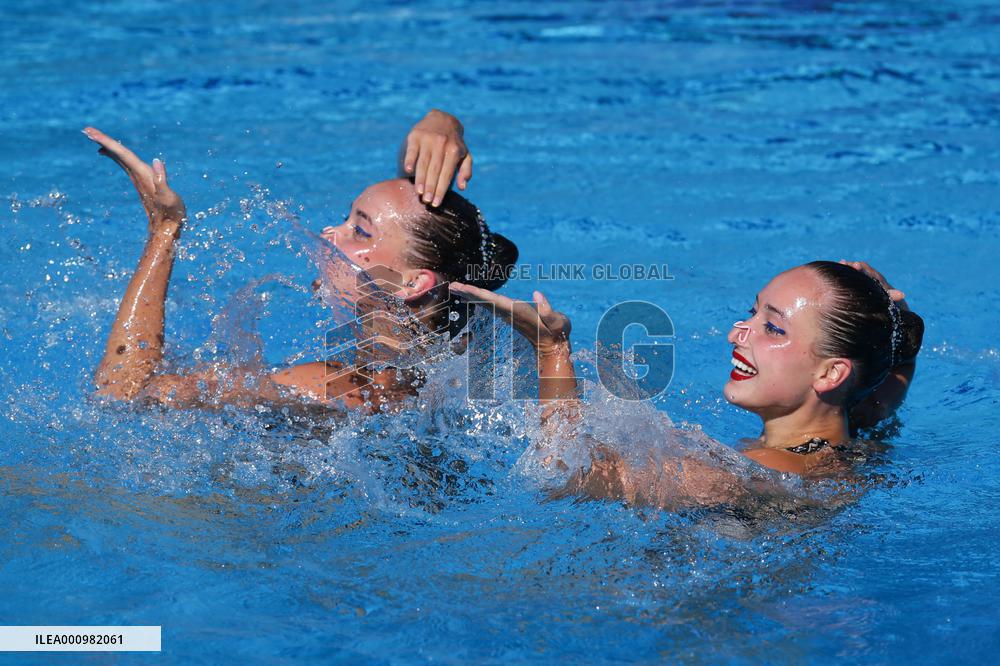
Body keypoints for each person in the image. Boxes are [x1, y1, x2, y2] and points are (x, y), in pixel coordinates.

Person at [85, 110, 517, 411]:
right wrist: (443, 121)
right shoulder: (453, 367)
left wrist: (163, 230)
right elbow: (421, 233)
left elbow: (120, 393)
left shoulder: (323, 387)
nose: (329, 234)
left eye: (360, 231)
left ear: (413, 284)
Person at [451, 260, 924, 506]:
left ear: (832, 373)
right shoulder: (857, 427)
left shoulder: (755, 477)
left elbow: (561, 469)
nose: (737, 334)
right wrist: (890, 313)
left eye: (773, 328)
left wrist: (551, 352)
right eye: (751, 312)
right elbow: (897, 369)